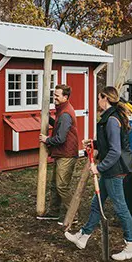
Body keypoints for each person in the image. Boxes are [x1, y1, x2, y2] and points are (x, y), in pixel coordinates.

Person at [64, 86, 132, 261]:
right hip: (111, 169)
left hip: (114, 169)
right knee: (96, 203)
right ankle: (83, 236)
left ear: (105, 98)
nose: (97, 101)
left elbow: (115, 151)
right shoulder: (110, 118)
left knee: (120, 207)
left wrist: (99, 167)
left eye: (99, 98)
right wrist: (94, 143)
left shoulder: (112, 120)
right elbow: (110, 143)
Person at [38, 84, 79, 224]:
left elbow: (61, 138)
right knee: (55, 184)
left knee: (62, 186)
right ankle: (53, 212)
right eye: (54, 94)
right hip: (61, 153)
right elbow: (59, 125)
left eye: (57, 95)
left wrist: (47, 140)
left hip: (66, 154)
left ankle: (73, 215)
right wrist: (48, 119)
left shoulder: (66, 113)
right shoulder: (62, 110)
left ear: (65, 97)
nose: (54, 97)